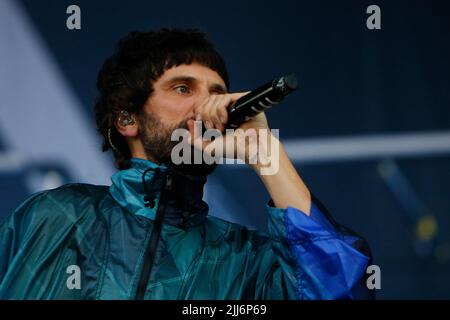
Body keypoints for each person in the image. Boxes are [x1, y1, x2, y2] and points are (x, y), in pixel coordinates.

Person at [0, 28, 373, 300]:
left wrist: (267, 155)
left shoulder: (245, 261)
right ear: (127, 121)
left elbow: (340, 292)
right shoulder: (53, 216)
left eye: (217, 94)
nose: (206, 107)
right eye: (183, 89)